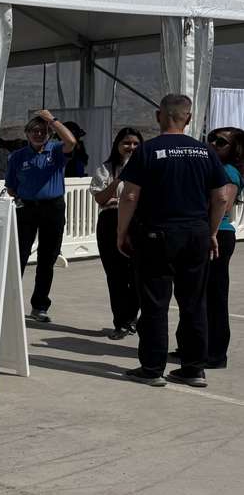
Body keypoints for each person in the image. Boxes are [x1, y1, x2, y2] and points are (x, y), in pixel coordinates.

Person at [117, 94, 233, 388]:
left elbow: (129, 195)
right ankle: (194, 368)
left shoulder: (147, 151)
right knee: (194, 303)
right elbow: (221, 196)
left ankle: (153, 368)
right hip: (195, 233)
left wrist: (122, 232)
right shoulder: (205, 153)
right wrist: (211, 232)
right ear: (189, 118)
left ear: (159, 116)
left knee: (155, 303)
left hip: (157, 234)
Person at [5, 110, 77, 323]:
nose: (38, 134)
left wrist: (52, 120)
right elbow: (11, 186)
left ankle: (40, 305)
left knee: (47, 258)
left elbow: (71, 141)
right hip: (27, 208)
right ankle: (10, 301)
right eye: (34, 131)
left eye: (43, 131)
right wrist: (24, 196)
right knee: (19, 255)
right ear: (27, 133)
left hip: (52, 208)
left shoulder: (55, 150)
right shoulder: (17, 156)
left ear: (50, 133)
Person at [90, 128, 143, 339]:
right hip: (110, 221)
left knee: (138, 275)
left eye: (135, 144)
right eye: (126, 143)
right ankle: (121, 321)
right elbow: (101, 199)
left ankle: (132, 317)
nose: (131, 148)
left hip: (137, 222)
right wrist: (118, 180)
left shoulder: (148, 168)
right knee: (115, 275)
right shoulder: (106, 168)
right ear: (118, 145)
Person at [204, 127, 243, 369]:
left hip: (218, 235)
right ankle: (196, 344)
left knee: (215, 295)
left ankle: (216, 353)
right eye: (212, 140)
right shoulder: (215, 168)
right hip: (210, 234)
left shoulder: (228, 171)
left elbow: (222, 203)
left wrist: (212, 233)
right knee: (201, 294)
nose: (214, 145)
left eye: (221, 142)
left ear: (235, 149)